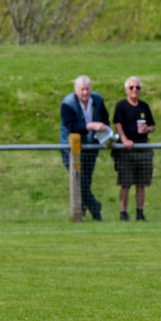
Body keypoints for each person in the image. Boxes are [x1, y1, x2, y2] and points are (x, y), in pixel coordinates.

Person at [59, 75, 110, 221]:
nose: (85, 93)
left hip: (91, 147)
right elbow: (71, 126)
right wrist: (90, 126)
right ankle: (95, 208)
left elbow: (105, 119)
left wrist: (105, 131)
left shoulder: (97, 100)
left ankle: (81, 211)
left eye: (87, 89)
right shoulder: (67, 104)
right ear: (76, 90)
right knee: (78, 180)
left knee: (86, 181)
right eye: (82, 90)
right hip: (71, 149)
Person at [112, 76, 156, 222]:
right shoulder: (121, 106)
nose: (134, 90)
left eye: (137, 87)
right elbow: (118, 124)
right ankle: (123, 213)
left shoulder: (144, 106)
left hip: (142, 147)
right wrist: (124, 140)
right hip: (126, 150)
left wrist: (147, 129)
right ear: (126, 90)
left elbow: (153, 126)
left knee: (141, 184)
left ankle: (140, 212)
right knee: (125, 184)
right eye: (131, 87)